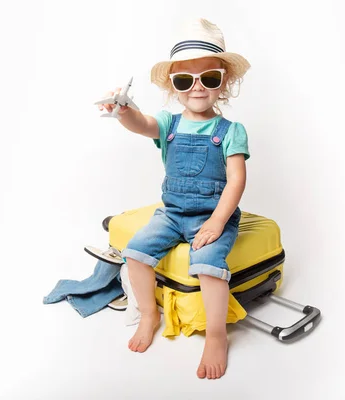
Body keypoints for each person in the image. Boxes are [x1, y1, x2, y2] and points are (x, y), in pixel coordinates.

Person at [96, 17, 251, 380]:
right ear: (174, 87)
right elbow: (142, 124)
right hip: (173, 213)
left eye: (209, 78)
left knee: (209, 265)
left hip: (215, 215)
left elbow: (236, 181)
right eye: (185, 80)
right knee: (135, 252)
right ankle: (149, 313)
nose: (197, 88)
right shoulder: (169, 124)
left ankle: (216, 335)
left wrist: (215, 222)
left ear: (222, 82)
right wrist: (123, 111)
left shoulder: (231, 131)